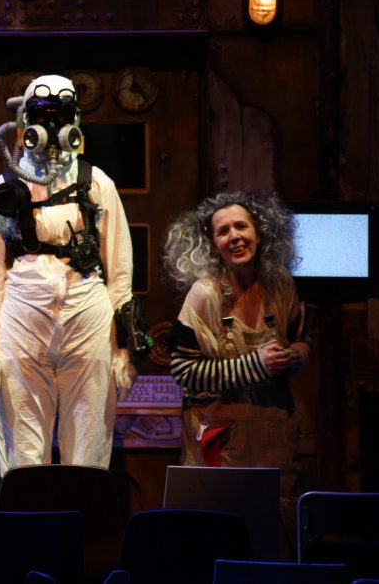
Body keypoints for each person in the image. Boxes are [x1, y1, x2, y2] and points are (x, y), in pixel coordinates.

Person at [0, 73, 139, 475]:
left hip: (87, 319)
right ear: (24, 123)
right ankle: (29, 531)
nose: (51, 128)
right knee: (24, 451)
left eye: (60, 117)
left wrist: (123, 347)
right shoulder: (6, 188)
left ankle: (84, 532)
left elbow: (119, 267)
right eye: (42, 118)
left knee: (90, 444)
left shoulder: (96, 183)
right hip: (23, 321)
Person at [162, 190, 309, 555]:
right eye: (223, 231)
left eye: (241, 226)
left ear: (260, 232)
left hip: (274, 446)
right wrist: (254, 366)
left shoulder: (282, 286)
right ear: (212, 245)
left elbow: (303, 341)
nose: (234, 236)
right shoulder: (204, 295)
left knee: (275, 550)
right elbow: (183, 372)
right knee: (216, 547)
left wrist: (296, 357)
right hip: (221, 449)